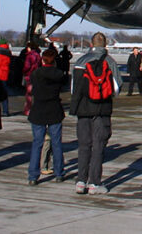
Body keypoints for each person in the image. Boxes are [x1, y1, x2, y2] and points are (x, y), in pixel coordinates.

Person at [70, 32, 120, 195]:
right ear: (105, 45)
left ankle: (80, 181)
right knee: (98, 146)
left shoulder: (80, 61)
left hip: (83, 110)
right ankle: (94, 183)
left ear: (91, 45)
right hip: (102, 110)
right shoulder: (110, 61)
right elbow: (117, 88)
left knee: (84, 145)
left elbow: (73, 89)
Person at [28, 48, 67, 185]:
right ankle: (59, 173)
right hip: (54, 110)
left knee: (37, 144)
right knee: (56, 143)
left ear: (42, 60)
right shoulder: (59, 74)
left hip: (38, 110)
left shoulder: (36, 74)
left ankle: (33, 175)